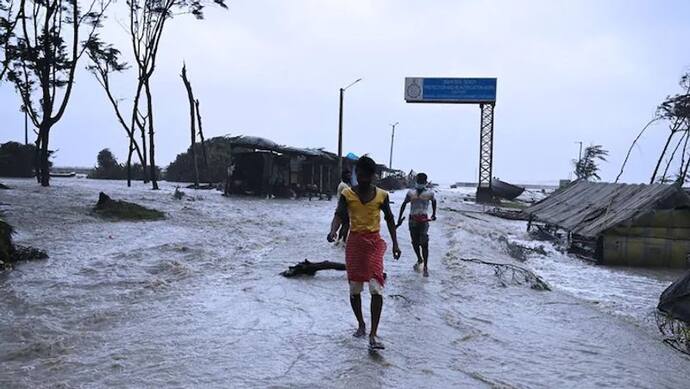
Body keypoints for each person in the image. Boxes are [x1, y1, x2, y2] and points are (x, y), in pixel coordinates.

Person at [327, 156, 401, 350]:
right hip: (355, 244)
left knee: (376, 287)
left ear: (373, 176)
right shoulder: (347, 194)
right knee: (355, 289)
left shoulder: (382, 196)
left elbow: (390, 220)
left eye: (366, 175)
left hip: (374, 243)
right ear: (356, 174)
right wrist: (333, 230)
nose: (362, 179)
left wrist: (395, 244)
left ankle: (374, 334)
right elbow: (340, 215)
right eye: (359, 175)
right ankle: (361, 324)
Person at [397, 173, 437, 277]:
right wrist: (399, 219)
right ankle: (419, 258)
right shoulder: (411, 193)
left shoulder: (429, 193)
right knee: (414, 242)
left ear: (425, 182)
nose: (420, 183)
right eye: (418, 181)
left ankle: (425, 267)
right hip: (412, 220)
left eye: (422, 182)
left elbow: (434, 202)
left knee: (424, 242)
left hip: (424, 220)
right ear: (416, 181)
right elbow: (404, 204)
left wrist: (433, 214)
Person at [336, 170, 352, 243]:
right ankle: (343, 241)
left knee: (344, 224)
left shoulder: (342, 184)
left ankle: (340, 240)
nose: (350, 177)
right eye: (348, 175)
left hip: (341, 207)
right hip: (344, 208)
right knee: (346, 224)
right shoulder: (344, 186)